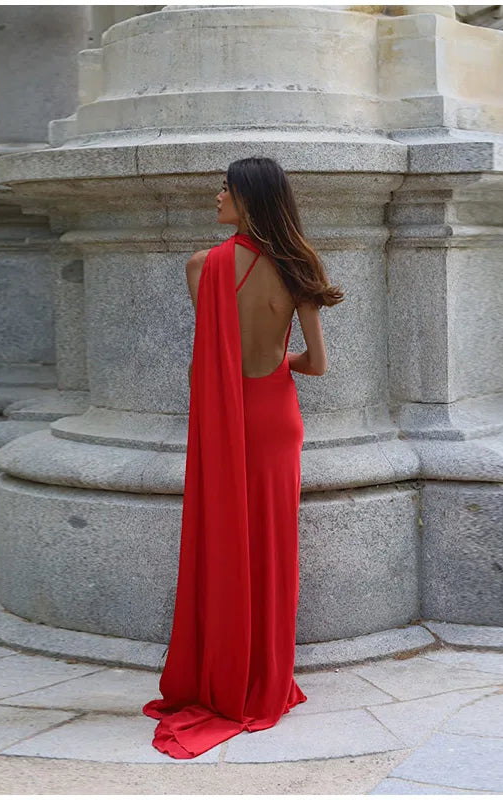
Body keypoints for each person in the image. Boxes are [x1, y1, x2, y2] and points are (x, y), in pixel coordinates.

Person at [142, 156, 345, 759]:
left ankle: (226, 676)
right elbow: (318, 363)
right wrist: (278, 364)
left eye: (224, 189)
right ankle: (269, 680)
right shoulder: (299, 265)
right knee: (272, 547)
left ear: (247, 199)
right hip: (277, 417)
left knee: (224, 541)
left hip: (227, 421)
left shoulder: (203, 266)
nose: (216, 196)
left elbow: (211, 358)